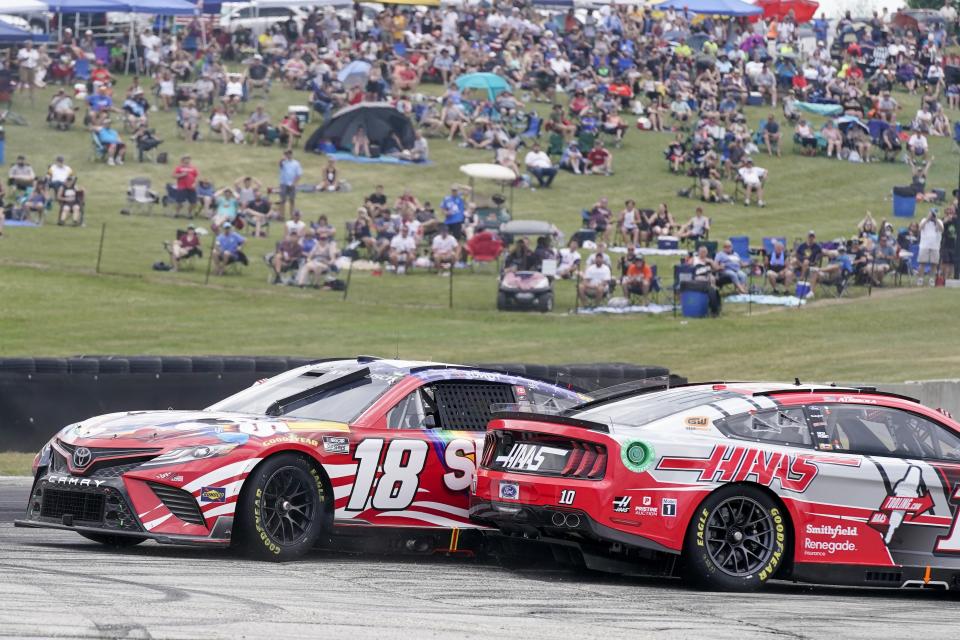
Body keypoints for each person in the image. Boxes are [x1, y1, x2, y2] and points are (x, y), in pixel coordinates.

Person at [918, 209, 945, 286]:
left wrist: (935, 219)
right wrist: (927, 219)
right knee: (922, 263)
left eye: (934, 214)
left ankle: (931, 279)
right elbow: (920, 228)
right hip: (924, 245)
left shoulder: (939, 221)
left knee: (934, 264)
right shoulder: (924, 220)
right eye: (932, 213)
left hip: (935, 246)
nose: (932, 215)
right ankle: (920, 279)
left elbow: (942, 229)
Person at [278, 149, 302, 219]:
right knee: (282, 200)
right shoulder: (283, 162)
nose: (288, 155)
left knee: (292, 200)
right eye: (286, 154)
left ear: (291, 154)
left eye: (289, 154)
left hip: (292, 184)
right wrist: (281, 159)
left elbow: (298, 174)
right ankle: (281, 215)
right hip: (284, 183)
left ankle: (292, 216)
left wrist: (294, 183)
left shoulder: (296, 163)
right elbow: (280, 164)